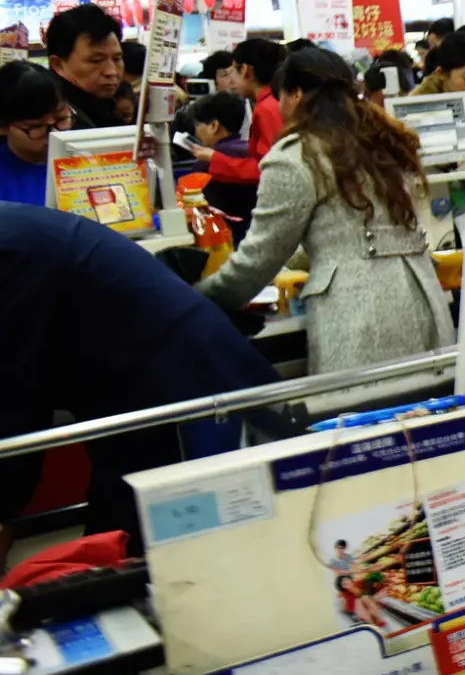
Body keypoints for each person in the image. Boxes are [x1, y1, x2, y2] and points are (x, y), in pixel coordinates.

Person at [0, 204, 282, 547]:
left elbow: (15, 396)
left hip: (180, 389)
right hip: (133, 391)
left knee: (172, 550)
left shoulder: (11, 253)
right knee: (118, 546)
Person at [198, 48, 454, 373]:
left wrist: (195, 299)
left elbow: (257, 261)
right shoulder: (382, 140)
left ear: (296, 93)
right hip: (424, 298)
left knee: (363, 417)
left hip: (361, 316)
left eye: (281, 96)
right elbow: (348, 230)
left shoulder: (295, 156)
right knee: (433, 416)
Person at [197, 38, 285, 189]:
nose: (231, 82)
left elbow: (268, 169)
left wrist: (215, 159)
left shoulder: (266, 108)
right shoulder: (275, 100)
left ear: (246, 70)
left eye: (232, 72)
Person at [186, 91, 255, 241]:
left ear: (213, 126)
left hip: (225, 241)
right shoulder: (252, 151)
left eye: (198, 125)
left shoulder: (207, 162)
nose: (196, 131)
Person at [43, 3, 124, 128]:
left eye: (117, 58)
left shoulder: (110, 108)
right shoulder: (50, 122)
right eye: (96, 60)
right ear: (58, 65)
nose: (111, 71)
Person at [0, 62, 67, 205]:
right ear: (3, 126)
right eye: (36, 126)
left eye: (61, 119)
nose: (52, 133)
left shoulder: (83, 160)